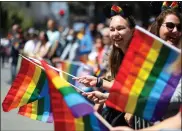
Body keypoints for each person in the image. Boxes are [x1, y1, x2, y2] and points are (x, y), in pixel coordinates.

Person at [74, 4, 138, 128]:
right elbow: (119, 84)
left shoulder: (140, 56)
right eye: (112, 29)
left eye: (120, 28)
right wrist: (104, 97)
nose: (115, 34)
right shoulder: (115, 55)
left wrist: (99, 82)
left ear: (132, 31)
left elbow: (132, 90)